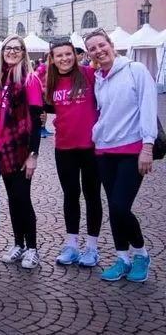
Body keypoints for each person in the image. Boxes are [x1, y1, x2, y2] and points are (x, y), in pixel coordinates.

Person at [84, 29, 157, 283]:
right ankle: (122, 258)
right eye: (92, 48)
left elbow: (148, 106)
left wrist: (147, 146)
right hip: (104, 150)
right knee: (114, 209)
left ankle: (141, 254)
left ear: (111, 45)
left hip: (131, 149)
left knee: (119, 206)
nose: (98, 51)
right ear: (89, 54)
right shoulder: (98, 78)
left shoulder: (134, 70)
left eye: (101, 45)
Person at [43, 40, 102, 267]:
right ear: (53, 59)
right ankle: (71, 245)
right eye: (59, 56)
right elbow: (47, 108)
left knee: (92, 196)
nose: (64, 58)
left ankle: (92, 247)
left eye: (68, 54)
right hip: (64, 148)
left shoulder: (89, 75)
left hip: (90, 147)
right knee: (70, 196)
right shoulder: (50, 81)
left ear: (76, 56)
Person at [0, 35, 43, 269]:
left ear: (24, 52)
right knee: (13, 199)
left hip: (21, 148)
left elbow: (35, 118)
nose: (12, 52)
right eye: (8, 48)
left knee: (23, 198)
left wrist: (33, 154)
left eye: (17, 48)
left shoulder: (29, 80)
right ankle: (18, 244)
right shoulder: (1, 80)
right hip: (4, 148)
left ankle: (32, 249)